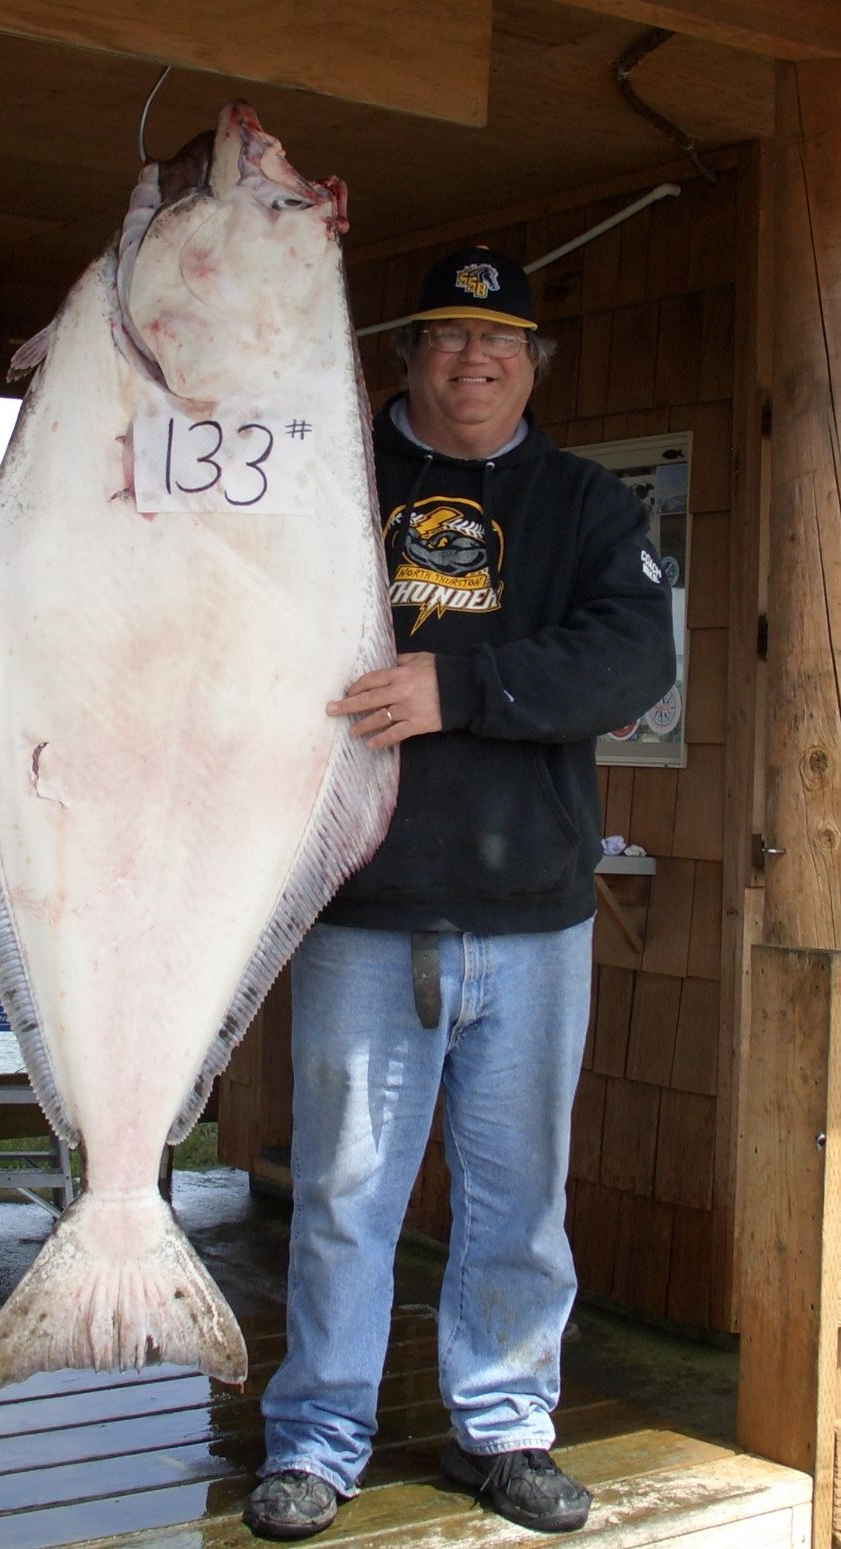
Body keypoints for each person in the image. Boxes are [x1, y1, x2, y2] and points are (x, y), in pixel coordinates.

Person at [244, 246, 676, 1540]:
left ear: (531, 361)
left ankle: (503, 1427)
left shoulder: (585, 503)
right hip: (360, 916)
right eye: (443, 339)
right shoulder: (323, 486)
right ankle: (317, 1439)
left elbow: (629, 656)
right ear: (408, 354)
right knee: (340, 1197)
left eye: (497, 344)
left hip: (534, 925)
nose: (470, 361)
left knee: (516, 1200)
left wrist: (456, 689)